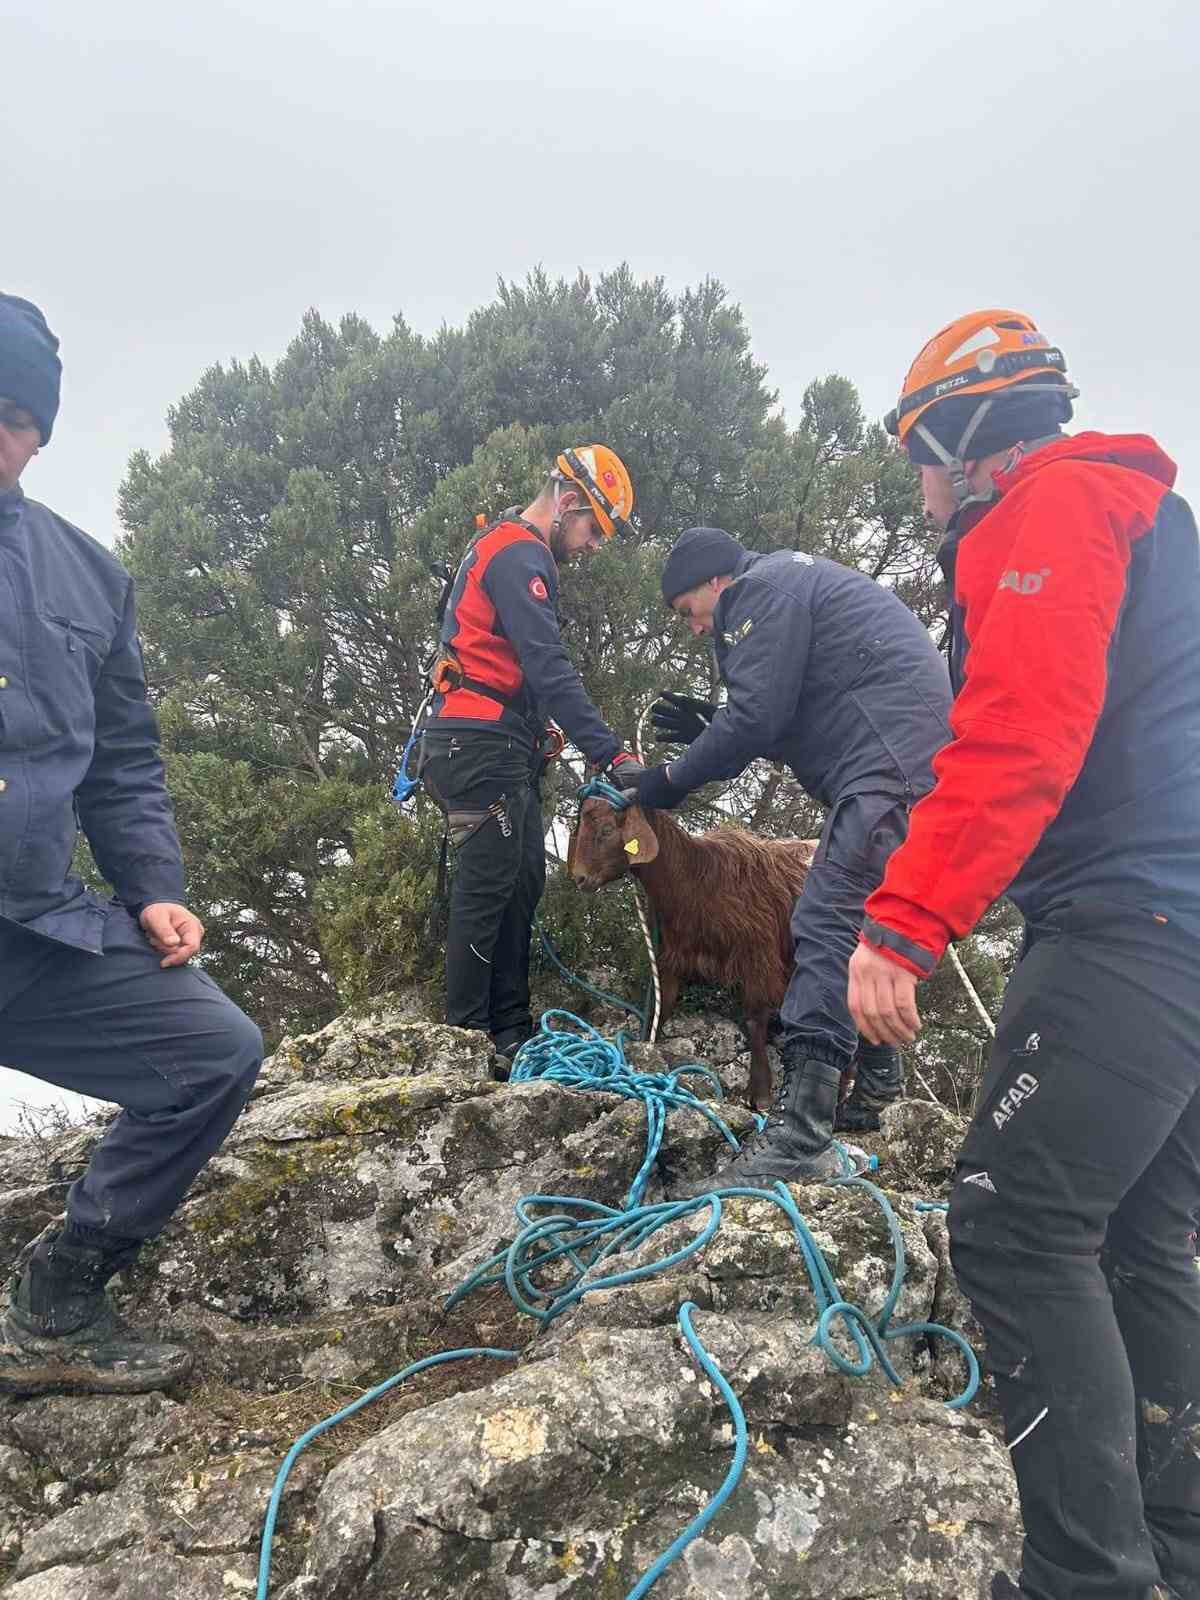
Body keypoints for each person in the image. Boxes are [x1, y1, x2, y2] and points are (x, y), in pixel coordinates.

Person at [847, 307, 1200, 1600]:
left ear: (964, 431)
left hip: (1129, 925)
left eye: (918, 457)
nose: (922, 489)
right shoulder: (1141, 512)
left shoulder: (1052, 510)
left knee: (1011, 1228)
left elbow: (1022, 728)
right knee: (1139, 1241)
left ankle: (1085, 1580)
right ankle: (1171, 1558)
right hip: (1183, 928)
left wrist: (906, 919)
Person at [0, 293, 263, 1397]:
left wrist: (153, 886)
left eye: (14, 412)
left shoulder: (90, 578)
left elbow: (120, 760)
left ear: (41, 433)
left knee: (216, 1049)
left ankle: (57, 1298)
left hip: (36, 929)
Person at [618, 524, 951, 1192]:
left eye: (688, 611)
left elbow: (759, 720)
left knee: (822, 921)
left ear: (716, 581)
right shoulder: (789, 582)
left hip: (887, 769)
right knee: (860, 922)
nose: (692, 629)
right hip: (903, 760)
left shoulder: (756, 592)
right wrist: (717, 721)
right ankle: (879, 1087)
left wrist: (663, 782)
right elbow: (795, 705)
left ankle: (800, 1136)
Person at [420, 447, 645, 1072]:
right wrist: (611, 754)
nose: (594, 544)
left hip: (487, 741)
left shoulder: (502, 549)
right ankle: (465, 1042)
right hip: (477, 741)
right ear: (570, 502)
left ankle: (511, 1032)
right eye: (595, 528)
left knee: (522, 880)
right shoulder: (520, 554)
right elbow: (548, 667)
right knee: (490, 884)